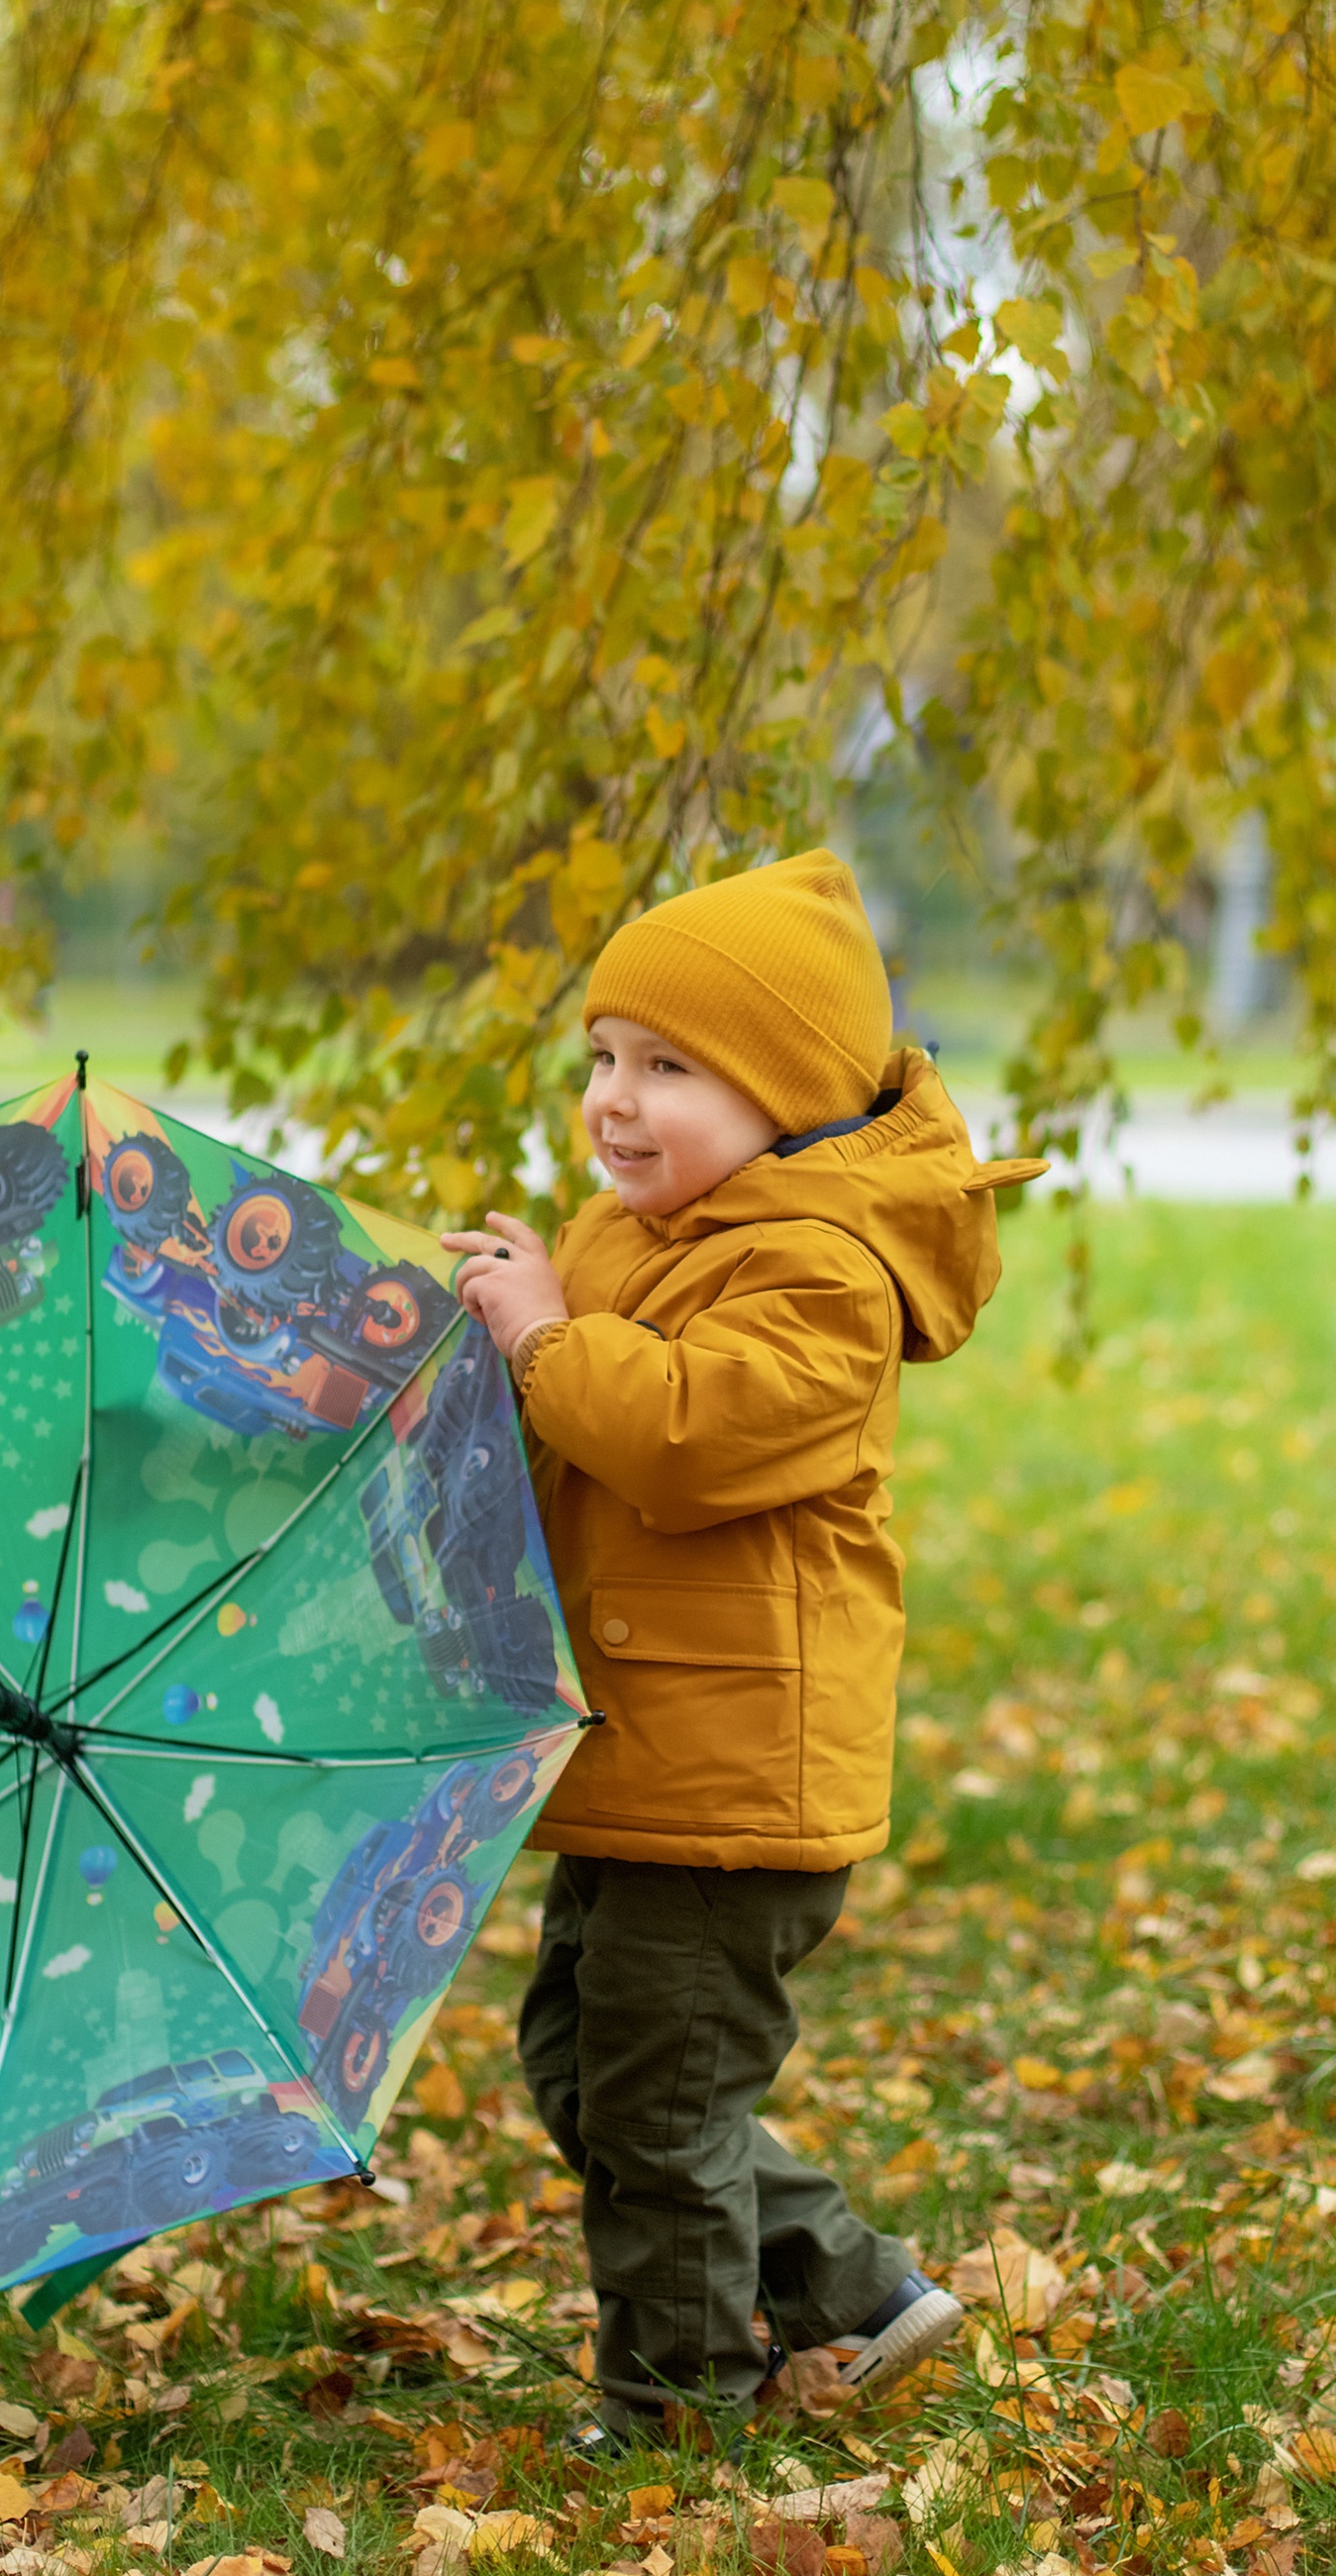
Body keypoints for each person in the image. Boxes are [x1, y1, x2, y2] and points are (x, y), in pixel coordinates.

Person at [444, 849, 1040, 2450]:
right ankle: (845, 2285)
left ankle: (678, 2409)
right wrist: (494, 1345)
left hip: (739, 1787)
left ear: (782, 1092)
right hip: (647, 1758)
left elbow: (691, 1435)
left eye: (668, 1068)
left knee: (658, 2097)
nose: (615, 1104)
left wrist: (553, 1339)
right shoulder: (644, 1233)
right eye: (602, 1062)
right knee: (588, 2069)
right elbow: (582, 1425)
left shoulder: (822, 1270)